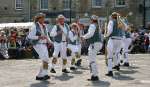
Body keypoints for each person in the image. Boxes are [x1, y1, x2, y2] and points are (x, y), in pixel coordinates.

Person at [28, 13, 52, 80]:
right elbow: (29, 36)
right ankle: (45, 74)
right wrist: (39, 37)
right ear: (38, 19)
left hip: (44, 44)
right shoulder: (35, 26)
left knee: (46, 59)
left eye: (44, 18)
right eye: (42, 18)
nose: (43, 19)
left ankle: (39, 76)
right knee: (45, 59)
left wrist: (49, 42)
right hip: (37, 44)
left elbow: (47, 36)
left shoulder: (44, 26)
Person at [81, 15, 103, 81]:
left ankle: (94, 76)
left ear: (91, 20)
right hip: (98, 43)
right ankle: (95, 74)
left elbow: (90, 34)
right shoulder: (97, 26)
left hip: (94, 43)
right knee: (93, 59)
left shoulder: (93, 25)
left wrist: (83, 37)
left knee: (92, 60)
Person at [105, 12, 126, 76]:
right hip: (120, 40)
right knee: (115, 53)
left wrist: (106, 35)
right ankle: (116, 65)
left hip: (113, 39)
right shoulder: (121, 22)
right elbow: (125, 28)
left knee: (109, 55)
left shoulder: (111, 21)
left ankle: (110, 71)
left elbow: (110, 30)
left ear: (112, 16)